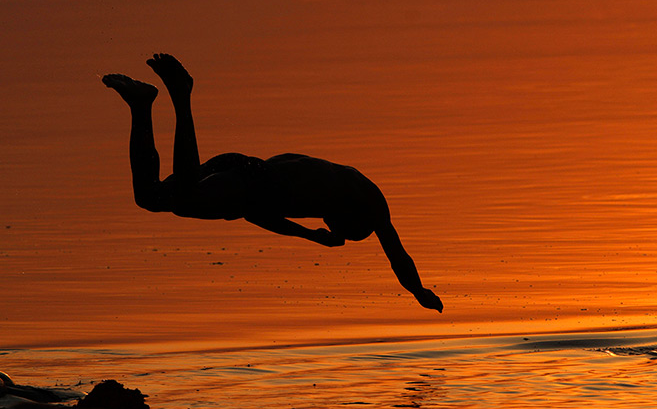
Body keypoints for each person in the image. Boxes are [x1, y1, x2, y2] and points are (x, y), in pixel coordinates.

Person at [102, 54, 443, 312]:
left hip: (241, 166)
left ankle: (141, 104)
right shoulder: (337, 199)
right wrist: (417, 291)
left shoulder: (351, 182)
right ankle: (181, 94)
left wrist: (309, 236)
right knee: (187, 197)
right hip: (248, 185)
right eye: (337, 225)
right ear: (352, 217)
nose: (330, 224)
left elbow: (263, 210)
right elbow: (396, 253)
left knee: (150, 196)